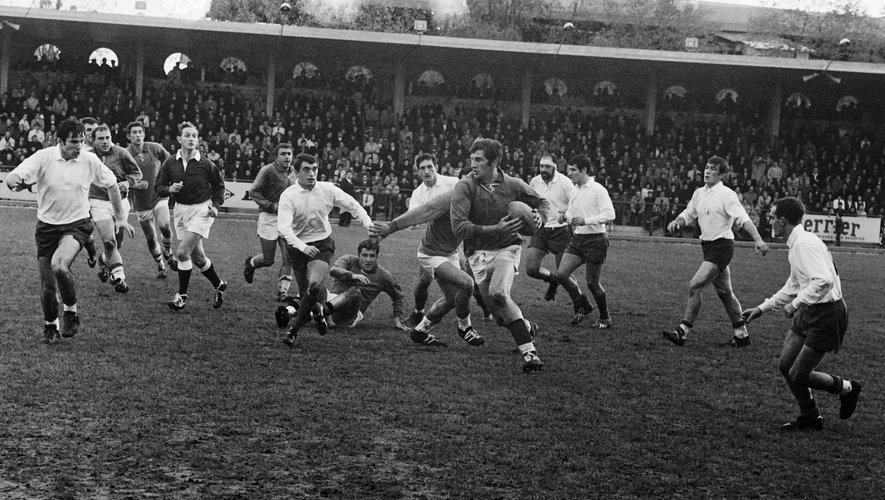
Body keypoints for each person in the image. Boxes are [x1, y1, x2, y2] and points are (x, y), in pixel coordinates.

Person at [6, 118, 133, 343]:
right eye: (74, 142)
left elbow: (112, 183)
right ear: (60, 141)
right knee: (47, 287)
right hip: (47, 227)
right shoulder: (44, 157)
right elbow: (15, 175)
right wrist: (13, 179)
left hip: (77, 224)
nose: (79, 146)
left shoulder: (88, 159)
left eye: (82, 141)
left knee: (59, 265)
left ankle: (71, 312)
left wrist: (121, 219)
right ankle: (50, 327)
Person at [741, 197, 861, 431]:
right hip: (811, 310)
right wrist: (761, 309)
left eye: (772, 217)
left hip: (827, 314)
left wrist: (796, 304)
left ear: (782, 220)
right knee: (786, 365)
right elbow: (794, 285)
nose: (770, 221)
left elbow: (823, 281)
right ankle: (810, 415)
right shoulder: (797, 243)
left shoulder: (803, 244)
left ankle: (848, 388)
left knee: (798, 374)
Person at [451, 138, 550, 372]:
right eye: (471, 159)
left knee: (499, 293)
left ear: (494, 162)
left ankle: (530, 354)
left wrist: (539, 217)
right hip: (477, 254)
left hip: (507, 247)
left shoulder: (513, 185)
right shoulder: (465, 187)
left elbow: (542, 202)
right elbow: (458, 227)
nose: (473, 165)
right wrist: (494, 228)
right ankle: (525, 326)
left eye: (479, 160)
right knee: (499, 317)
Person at [371, 158, 485, 348]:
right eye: (467, 181)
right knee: (466, 283)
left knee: (452, 298)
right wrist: (390, 227)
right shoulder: (450, 197)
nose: (471, 185)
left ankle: (420, 331)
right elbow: (422, 212)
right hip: (431, 253)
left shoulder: (478, 200)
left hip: (450, 252)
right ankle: (465, 328)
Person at [663, 155, 769, 347]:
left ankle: (682, 332)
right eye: (706, 167)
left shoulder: (727, 194)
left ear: (721, 175)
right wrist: (677, 221)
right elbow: (689, 213)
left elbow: (742, 218)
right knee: (725, 292)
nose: (707, 171)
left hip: (722, 246)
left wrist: (758, 239)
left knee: (695, 285)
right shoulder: (698, 193)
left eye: (713, 169)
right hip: (708, 246)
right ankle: (741, 334)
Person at [277, 153, 373, 347]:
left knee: (314, 285)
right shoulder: (288, 196)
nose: (311, 173)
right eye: (306, 169)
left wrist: (368, 224)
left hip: (322, 245)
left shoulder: (328, 189)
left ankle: (293, 330)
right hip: (297, 248)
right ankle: (318, 314)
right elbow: (284, 228)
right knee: (309, 293)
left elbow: (353, 205)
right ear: (296, 172)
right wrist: (303, 247)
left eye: (314, 169)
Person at [155, 122, 228, 311]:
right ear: (179, 139)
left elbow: (219, 187)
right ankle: (219, 284)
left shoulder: (206, 164)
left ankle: (182, 296)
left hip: (202, 211)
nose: (191, 139)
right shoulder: (170, 162)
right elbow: (159, 186)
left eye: (194, 136)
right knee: (199, 259)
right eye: (187, 135)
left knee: (181, 253)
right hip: (181, 210)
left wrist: (216, 206)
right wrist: (169, 189)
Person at [276, 239, 407, 332]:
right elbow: (334, 270)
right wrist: (352, 275)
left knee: (355, 292)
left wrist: (397, 320)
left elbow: (398, 296)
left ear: (377, 257)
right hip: (331, 300)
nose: (368, 259)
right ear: (358, 255)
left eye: (372, 256)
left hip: (350, 314)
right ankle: (288, 312)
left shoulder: (383, 275)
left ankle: (315, 314)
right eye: (365, 255)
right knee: (314, 286)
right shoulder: (349, 260)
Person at [554, 155, 616, 329]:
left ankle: (605, 318)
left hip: (596, 240)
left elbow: (610, 214)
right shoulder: (575, 190)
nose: (569, 173)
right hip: (578, 239)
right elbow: (572, 212)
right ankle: (583, 304)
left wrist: (586, 220)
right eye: (569, 169)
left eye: (573, 169)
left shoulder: (598, 189)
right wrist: (564, 217)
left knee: (592, 282)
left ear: (584, 170)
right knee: (561, 274)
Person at [402, 153, 460, 327]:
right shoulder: (418, 193)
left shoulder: (453, 183)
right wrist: (411, 222)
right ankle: (418, 312)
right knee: (424, 281)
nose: (426, 171)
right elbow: (413, 216)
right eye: (422, 168)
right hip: (433, 242)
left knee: (465, 277)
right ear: (417, 171)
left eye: (429, 167)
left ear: (437, 167)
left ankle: (482, 312)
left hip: (456, 240)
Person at [89, 124, 143, 293]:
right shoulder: (87, 157)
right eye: (101, 138)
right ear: (93, 141)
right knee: (109, 241)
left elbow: (137, 173)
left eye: (108, 138)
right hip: (98, 202)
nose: (105, 141)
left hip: (121, 203)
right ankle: (119, 278)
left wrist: (127, 182)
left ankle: (104, 260)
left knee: (115, 244)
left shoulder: (121, 153)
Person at [243, 142, 296, 301]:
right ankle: (251, 263)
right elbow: (253, 192)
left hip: (287, 220)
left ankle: (283, 293)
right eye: (283, 154)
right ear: (276, 156)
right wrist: (271, 206)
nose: (287, 157)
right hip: (269, 218)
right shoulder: (267, 170)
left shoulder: (294, 173)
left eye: (289, 154)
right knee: (268, 260)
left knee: (289, 257)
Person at [526, 153, 580, 303]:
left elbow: (577, 203)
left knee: (565, 273)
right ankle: (552, 280)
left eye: (547, 167)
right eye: (541, 166)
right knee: (531, 269)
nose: (543, 169)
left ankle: (579, 301)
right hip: (541, 229)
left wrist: (568, 214)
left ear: (555, 167)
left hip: (561, 230)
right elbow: (530, 201)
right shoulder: (535, 181)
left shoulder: (565, 183)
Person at [126, 120, 173, 279]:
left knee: (165, 226)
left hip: (159, 197)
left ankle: (168, 250)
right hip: (141, 203)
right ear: (129, 136)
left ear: (144, 134)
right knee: (151, 239)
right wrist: (134, 186)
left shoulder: (155, 148)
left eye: (140, 132)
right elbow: (119, 180)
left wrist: (168, 179)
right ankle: (161, 265)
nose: (138, 135)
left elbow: (171, 162)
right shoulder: (125, 155)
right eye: (134, 132)